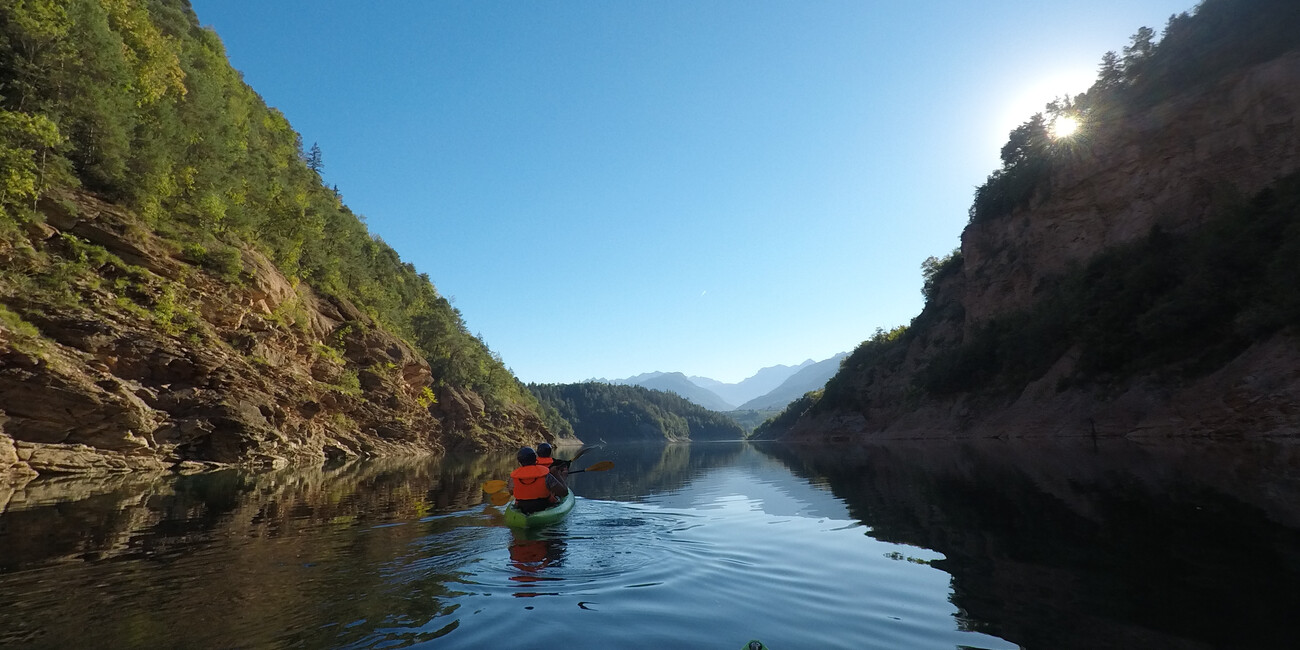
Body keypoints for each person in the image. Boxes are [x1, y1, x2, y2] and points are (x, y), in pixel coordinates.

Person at [510, 446, 569, 514]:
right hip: (544, 506)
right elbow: (564, 492)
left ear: (519, 461)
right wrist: (557, 474)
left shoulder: (514, 478)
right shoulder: (546, 476)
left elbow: (511, 492)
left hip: (522, 507)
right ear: (535, 459)